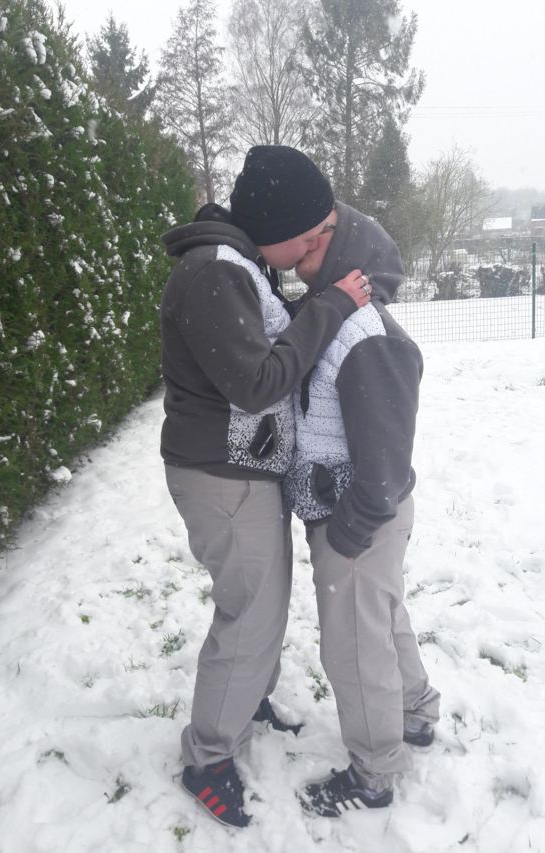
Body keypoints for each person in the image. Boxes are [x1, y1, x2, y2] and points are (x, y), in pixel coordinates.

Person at [160, 149, 371, 828]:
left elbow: (263, 351)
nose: (313, 249)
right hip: (222, 478)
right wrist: (330, 306)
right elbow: (256, 383)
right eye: (307, 237)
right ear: (273, 227)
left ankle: (244, 696)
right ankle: (207, 756)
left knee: (263, 603)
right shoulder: (215, 272)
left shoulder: (241, 265)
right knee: (250, 612)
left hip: (243, 471)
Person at [230, 145, 440, 818]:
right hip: (356, 513)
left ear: (321, 242)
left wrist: (348, 532)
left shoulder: (365, 334)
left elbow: (385, 461)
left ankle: (375, 771)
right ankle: (415, 712)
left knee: (353, 646)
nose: (286, 260)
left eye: (297, 248)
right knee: (383, 618)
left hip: (358, 517)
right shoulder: (333, 310)